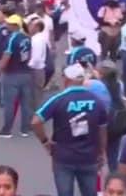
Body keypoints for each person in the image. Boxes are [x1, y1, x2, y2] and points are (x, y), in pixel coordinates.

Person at [32, 63, 108, 196]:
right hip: (89, 157)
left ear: (67, 79)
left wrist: (45, 141)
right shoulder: (96, 100)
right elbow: (102, 130)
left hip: (63, 157)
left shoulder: (59, 99)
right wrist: (101, 152)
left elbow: (35, 121)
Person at [0, 14, 34, 138]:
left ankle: (7, 129)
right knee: (25, 103)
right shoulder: (27, 38)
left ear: (15, 25)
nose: (7, 25)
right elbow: (30, 55)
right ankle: (25, 129)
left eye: (9, 24)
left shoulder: (12, 38)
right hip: (26, 73)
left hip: (12, 74)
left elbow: (7, 55)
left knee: (9, 103)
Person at [28, 19, 49, 108]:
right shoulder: (38, 38)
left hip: (36, 70)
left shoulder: (37, 40)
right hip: (38, 69)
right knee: (36, 95)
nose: (29, 27)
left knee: (35, 95)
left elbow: (36, 58)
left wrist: (28, 66)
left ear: (37, 27)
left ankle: (35, 117)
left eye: (31, 25)